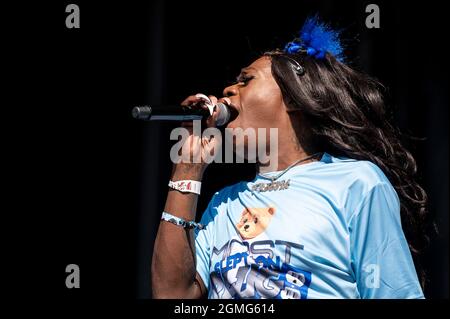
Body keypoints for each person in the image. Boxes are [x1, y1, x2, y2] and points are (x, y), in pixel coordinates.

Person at [151, 17, 427, 299]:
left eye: (246, 80)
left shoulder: (357, 183)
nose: (228, 90)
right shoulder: (223, 202)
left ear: (294, 98)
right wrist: (186, 172)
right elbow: (172, 296)